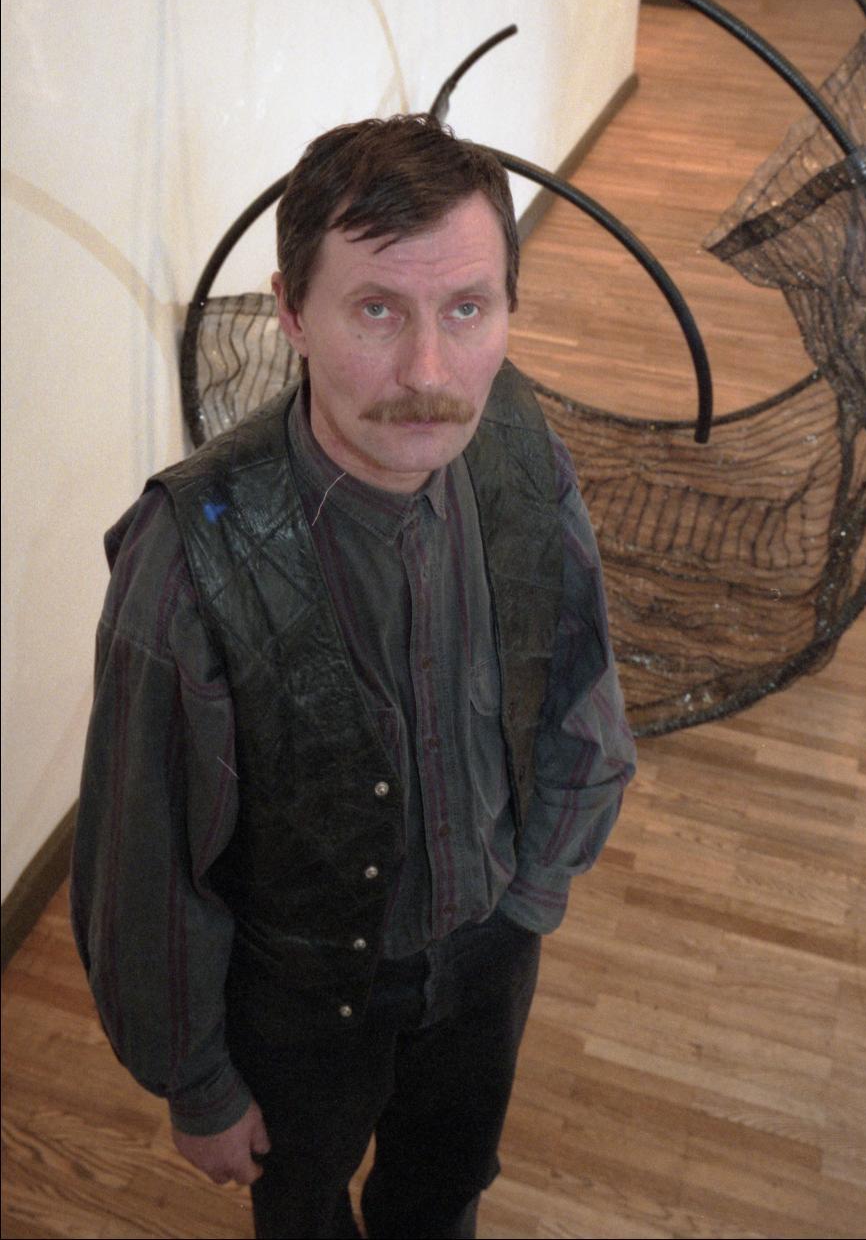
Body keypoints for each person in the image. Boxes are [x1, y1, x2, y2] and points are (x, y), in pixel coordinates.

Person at [71, 113, 636, 1240]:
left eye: (465, 309)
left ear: (508, 307)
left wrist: (530, 896)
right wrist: (199, 1082)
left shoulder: (520, 449)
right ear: (290, 311)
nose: (427, 373)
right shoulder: (190, 558)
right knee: (305, 1207)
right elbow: (145, 861)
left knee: (443, 1190)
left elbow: (579, 686)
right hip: (299, 1004)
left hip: (488, 954)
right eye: (376, 309)